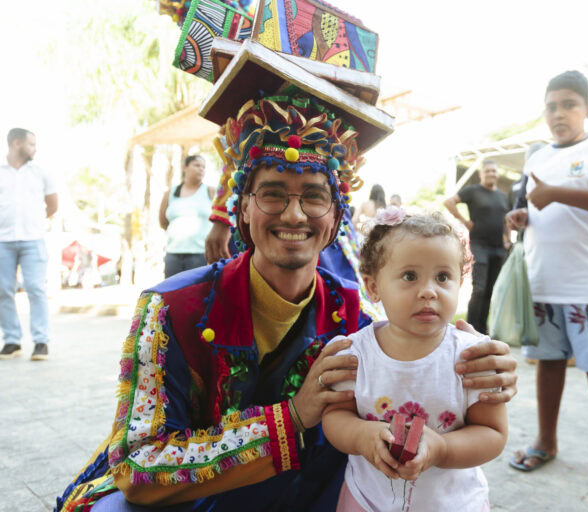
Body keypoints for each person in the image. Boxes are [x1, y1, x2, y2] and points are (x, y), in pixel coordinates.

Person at [55, 93, 519, 512]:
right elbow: (138, 468)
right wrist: (293, 415)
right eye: (273, 195)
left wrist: (477, 355)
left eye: (314, 199)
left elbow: (419, 346)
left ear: (336, 219)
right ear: (243, 209)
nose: (294, 215)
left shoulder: (352, 313)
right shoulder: (173, 307)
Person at [505, 70, 588, 492]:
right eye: (551, 106)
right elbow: (526, 207)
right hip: (543, 282)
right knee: (547, 363)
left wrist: (559, 192)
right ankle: (546, 441)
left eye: (568, 105)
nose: (558, 114)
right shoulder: (535, 156)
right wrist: (519, 216)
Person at [323, 209, 507, 511]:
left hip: (452, 503)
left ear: (460, 283)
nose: (428, 291)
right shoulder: (353, 354)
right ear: (373, 287)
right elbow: (334, 416)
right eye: (410, 276)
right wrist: (360, 436)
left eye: (443, 277)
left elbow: (493, 432)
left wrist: (442, 448)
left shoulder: (473, 357)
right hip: (368, 500)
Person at [0, 128, 57, 361]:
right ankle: (12, 340)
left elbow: (52, 204)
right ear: (16, 144)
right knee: (3, 290)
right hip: (3, 240)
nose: (34, 149)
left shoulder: (41, 173)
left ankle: (41, 341)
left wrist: (36, 222)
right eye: (31, 144)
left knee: (36, 288)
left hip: (33, 239)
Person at [444, 160, 510, 334]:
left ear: (497, 174)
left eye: (494, 171)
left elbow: (506, 220)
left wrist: (507, 238)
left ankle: (482, 329)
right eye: (487, 171)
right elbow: (449, 202)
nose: (491, 174)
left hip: (498, 248)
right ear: (481, 174)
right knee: (479, 288)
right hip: (479, 245)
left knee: (490, 289)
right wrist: (464, 221)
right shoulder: (473, 191)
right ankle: (470, 328)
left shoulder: (502, 196)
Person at [158, 155, 215, 278]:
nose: (201, 169)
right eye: (197, 165)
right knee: (172, 293)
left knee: (198, 295)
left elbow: (220, 220)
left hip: (200, 254)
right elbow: (163, 221)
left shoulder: (210, 191)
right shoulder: (170, 193)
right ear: (185, 167)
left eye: (204, 167)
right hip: (173, 255)